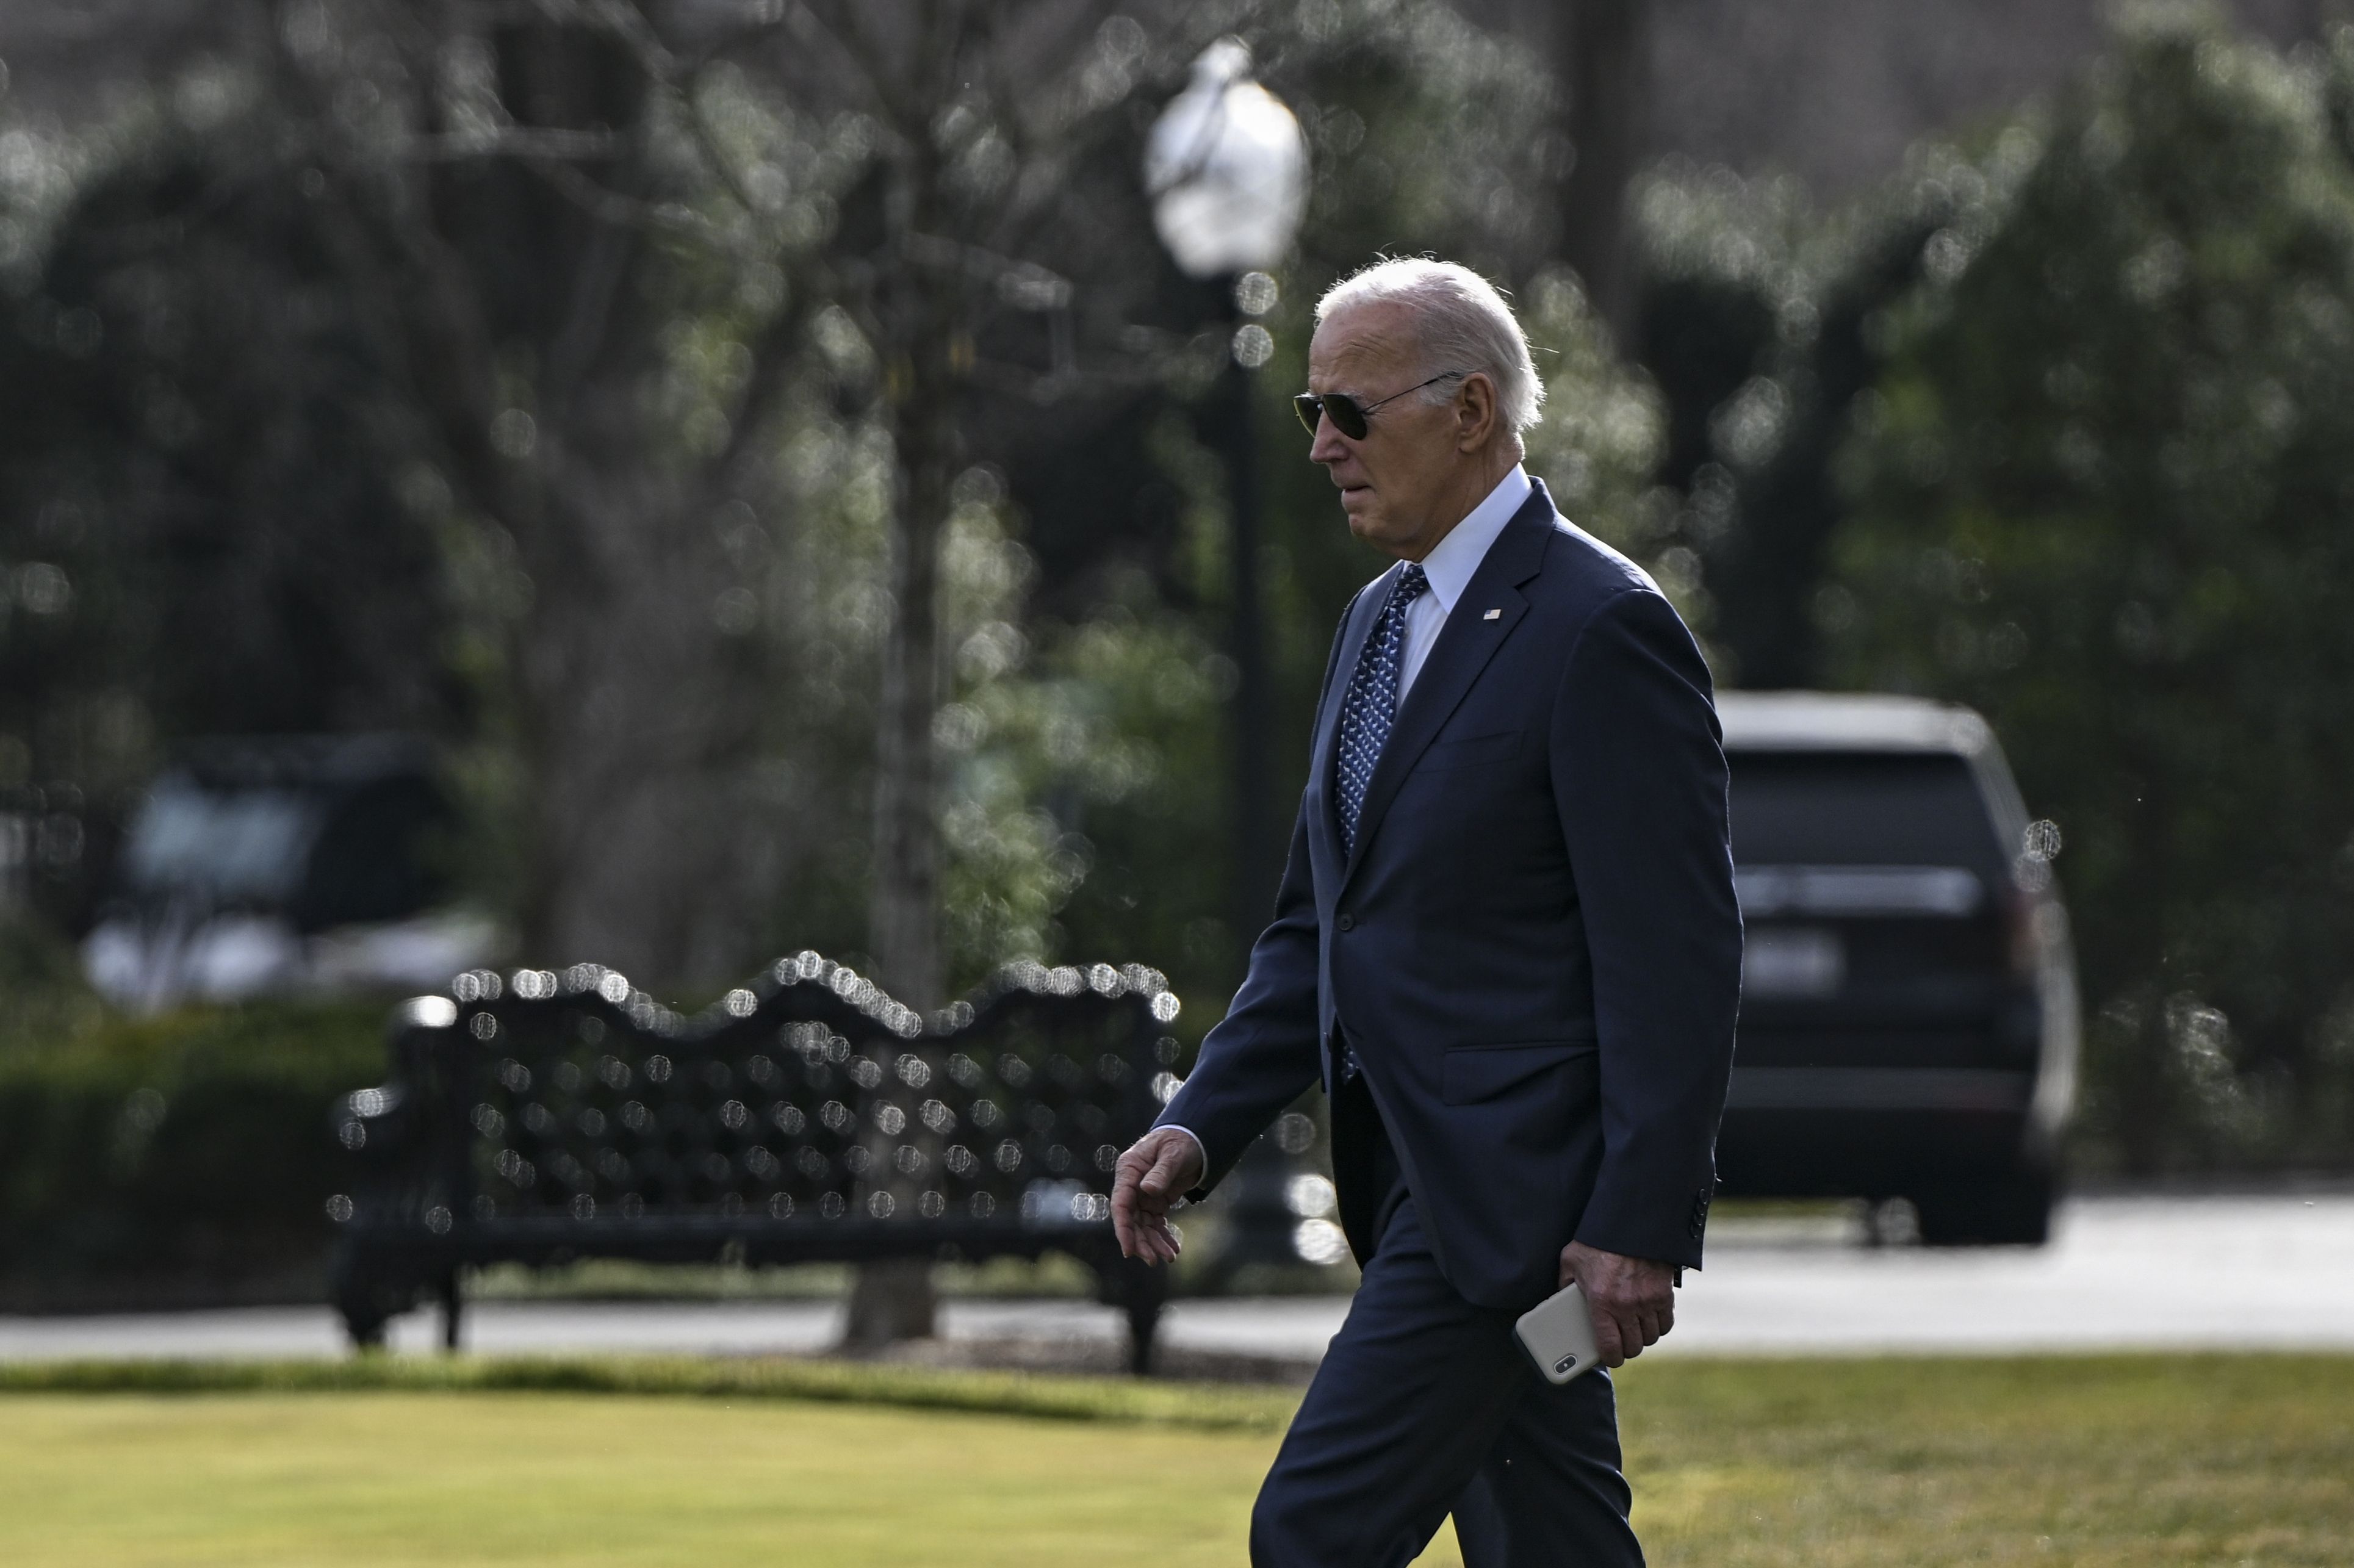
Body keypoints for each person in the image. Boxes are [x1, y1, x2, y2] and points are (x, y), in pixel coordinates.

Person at [1109, 257, 1743, 1566]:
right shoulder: (1374, 625)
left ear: (1471, 412)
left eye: (1353, 411)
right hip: (1416, 1195)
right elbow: (1318, 930)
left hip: (1511, 1220)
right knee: (1553, 1546)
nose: (1327, 446)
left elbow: (1674, 960)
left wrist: (1639, 1221)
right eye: (1311, 414)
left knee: (1313, 1532)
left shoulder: (1601, 627)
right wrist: (1201, 1120)